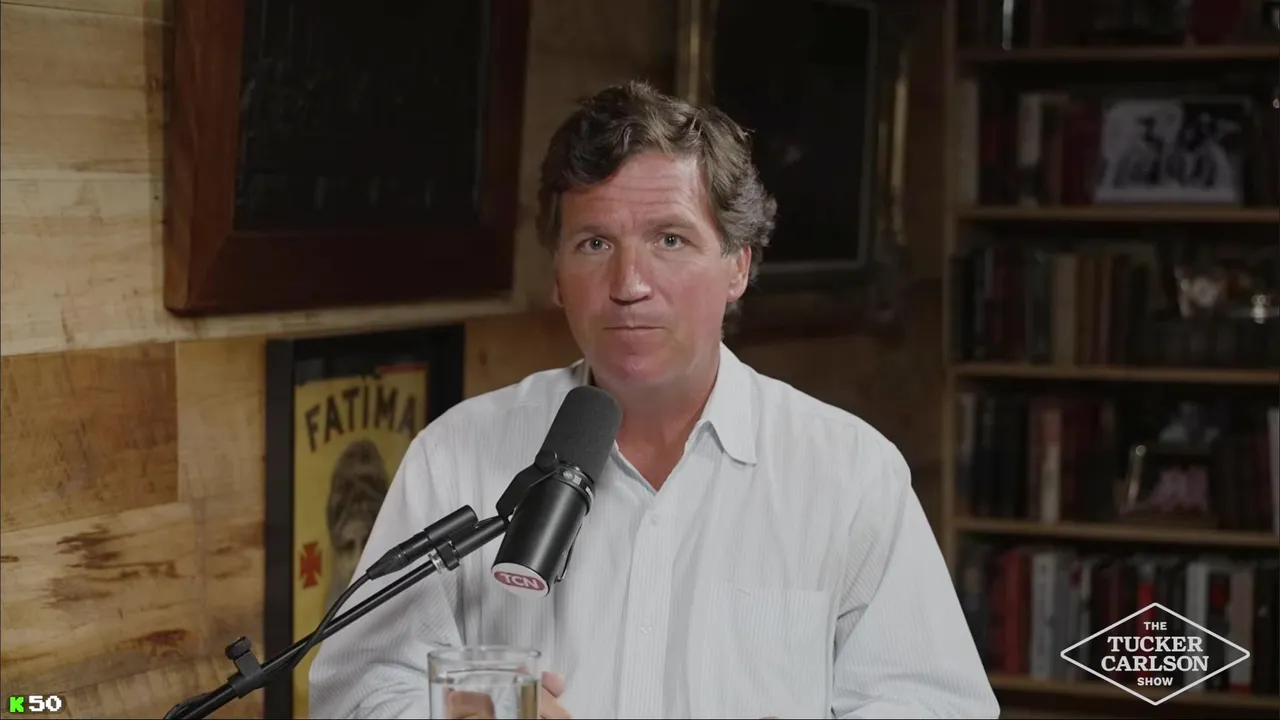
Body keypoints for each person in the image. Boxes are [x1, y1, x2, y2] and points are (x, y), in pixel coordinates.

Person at [308, 80, 999, 719]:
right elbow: (355, 692)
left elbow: (938, 707)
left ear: (738, 267)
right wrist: (458, 715)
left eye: (670, 239)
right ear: (557, 277)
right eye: (594, 243)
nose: (629, 284)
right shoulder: (455, 456)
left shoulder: (850, 474)